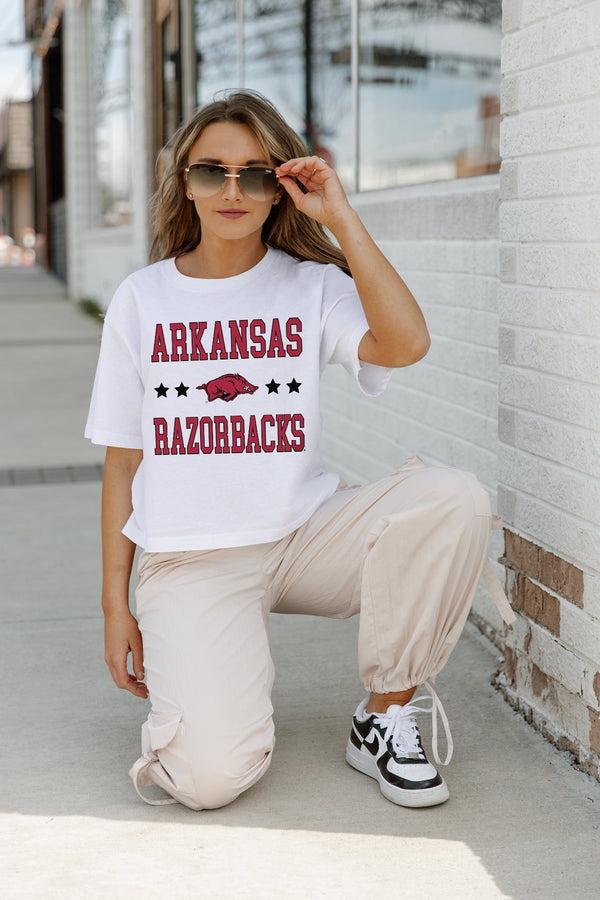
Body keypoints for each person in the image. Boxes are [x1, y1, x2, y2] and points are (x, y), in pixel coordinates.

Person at [83, 88, 515, 812]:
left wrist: (341, 217)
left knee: (452, 499)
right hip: (194, 556)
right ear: (182, 183)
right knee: (209, 780)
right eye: (209, 171)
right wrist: (113, 608)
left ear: (281, 186)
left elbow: (405, 343)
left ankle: (383, 715)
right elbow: (122, 463)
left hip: (305, 537)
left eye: (255, 173)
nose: (231, 190)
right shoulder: (142, 299)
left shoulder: (310, 287)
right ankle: (218, 667)